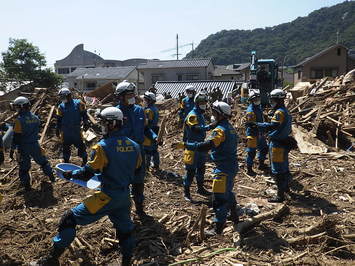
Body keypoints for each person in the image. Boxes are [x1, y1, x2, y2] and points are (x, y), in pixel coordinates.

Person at [37, 107, 141, 266]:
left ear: (112, 124)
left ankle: (51, 260)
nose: (102, 126)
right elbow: (135, 171)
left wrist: (69, 175)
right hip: (125, 197)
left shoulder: (102, 146)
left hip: (106, 196)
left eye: (104, 123)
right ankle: (126, 262)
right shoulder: (135, 146)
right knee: (125, 231)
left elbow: (86, 174)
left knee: (68, 219)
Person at [174, 101, 239, 235]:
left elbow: (207, 145)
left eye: (214, 112)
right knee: (227, 192)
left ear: (220, 115)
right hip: (230, 165)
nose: (212, 115)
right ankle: (234, 216)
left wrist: (186, 145)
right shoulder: (229, 127)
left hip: (224, 168)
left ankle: (218, 228)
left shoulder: (220, 130)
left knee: (219, 198)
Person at [250, 89, 292, 202]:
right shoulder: (285, 111)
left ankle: (280, 195)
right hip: (284, 142)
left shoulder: (279, 112)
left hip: (278, 144)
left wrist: (256, 125)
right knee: (284, 166)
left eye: (273, 100)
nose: (271, 102)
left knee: (278, 169)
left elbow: (273, 126)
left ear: (278, 100)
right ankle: (286, 188)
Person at [115, 80, 147, 216]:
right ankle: (124, 211)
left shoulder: (139, 110)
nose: (132, 97)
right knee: (123, 183)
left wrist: (154, 136)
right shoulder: (116, 113)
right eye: (129, 95)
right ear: (120, 96)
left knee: (139, 182)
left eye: (133, 94)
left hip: (139, 151)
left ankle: (139, 208)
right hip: (123, 152)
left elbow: (145, 128)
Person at [10, 96, 55, 190]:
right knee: (43, 162)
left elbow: (16, 137)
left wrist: (12, 148)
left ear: (21, 107)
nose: (16, 109)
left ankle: (27, 186)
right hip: (35, 144)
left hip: (23, 147)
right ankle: (51, 176)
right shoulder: (36, 118)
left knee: (24, 167)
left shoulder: (18, 121)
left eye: (17, 107)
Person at [182, 93, 215, 201]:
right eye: (201, 103)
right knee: (190, 171)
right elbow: (194, 128)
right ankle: (186, 192)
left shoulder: (200, 114)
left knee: (201, 168)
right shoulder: (193, 115)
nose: (204, 105)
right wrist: (208, 127)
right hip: (192, 145)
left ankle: (200, 188)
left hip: (200, 145)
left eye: (205, 103)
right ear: (196, 103)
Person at [56, 88, 89, 165]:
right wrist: (57, 128)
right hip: (66, 131)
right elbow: (59, 119)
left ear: (69, 95)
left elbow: (84, 114)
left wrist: (86, 122)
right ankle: (66, 162)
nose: (62, 99)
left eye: (63, 97)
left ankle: (84, 161)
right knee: (65, 147)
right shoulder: (60, 106)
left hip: (76, 130)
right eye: (61, 97)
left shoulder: (78, 103)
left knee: (81, 146)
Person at [245, 90, 268, 176]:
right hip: (252, 134)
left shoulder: (258, 107)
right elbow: (252, 124)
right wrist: (265, 126)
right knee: (251, 152)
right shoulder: (250, 111)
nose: (257, 100)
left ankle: (261, 164)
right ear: (251, 100)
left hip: (260, 133)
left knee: (264, 148)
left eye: (258, 98)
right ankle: (249, 168)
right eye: (255, 99)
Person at [143, 91, 160, 172]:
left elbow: (147, 122)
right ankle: (156, 165)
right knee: (154, 149)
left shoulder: (148, 110)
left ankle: (147, 166)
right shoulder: (155, 108)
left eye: (146, 99)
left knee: (147, 150)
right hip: (155, 130)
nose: (144, 101)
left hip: (148, 131)